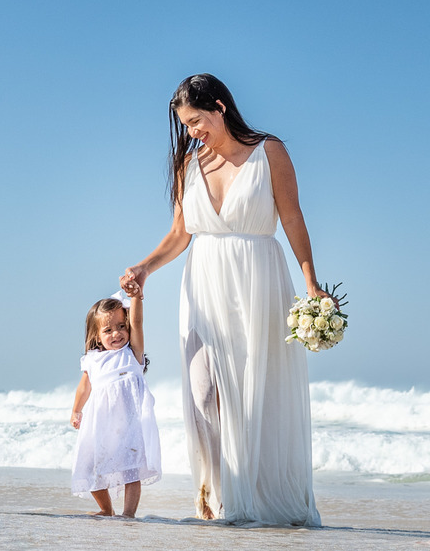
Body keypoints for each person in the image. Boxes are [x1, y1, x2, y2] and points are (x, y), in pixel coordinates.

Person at [120, 73, 327, 525]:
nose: (192, 132)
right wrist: (144, 268)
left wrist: (311, 284)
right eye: (186, 125)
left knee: (256, 396)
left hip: (259, 282)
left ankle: (256, 501)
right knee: (204, 392)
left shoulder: (269, 152)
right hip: (203, 285)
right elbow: (180, 234)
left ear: (219, 106)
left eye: (197, 120)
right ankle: (216, 498)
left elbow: (292, 218)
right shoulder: (188, 166)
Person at [69, 293, 161, 518]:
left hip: (129, 425)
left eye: (121, 326)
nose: (116, 333)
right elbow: (84, 388)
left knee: (132, 470)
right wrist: (76, 410)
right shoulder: (92, 360)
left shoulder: (132, 354)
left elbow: (138, 321)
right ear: (97, 336)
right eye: (108, 330)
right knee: (90, 466)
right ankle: (106, 508)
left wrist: (136, 296)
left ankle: (128, 514)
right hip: (99, 425)